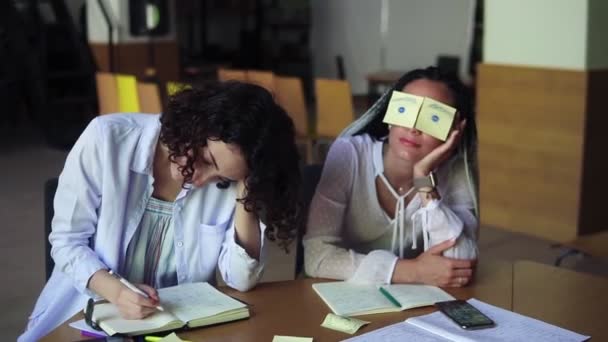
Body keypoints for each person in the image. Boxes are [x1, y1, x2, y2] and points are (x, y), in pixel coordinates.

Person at [19, 81, 300, 341]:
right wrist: (118, 292)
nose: (202, 179)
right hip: (86, 317)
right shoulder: (107, 139)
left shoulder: (230, 182)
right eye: (204, 160)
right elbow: (67, 243)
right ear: (196, 123)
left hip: (176, 329)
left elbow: (242, 280)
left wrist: (246, 192)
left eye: (222, 178)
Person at [303, 66, 478, 287]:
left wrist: (424, 180)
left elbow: (460, 264)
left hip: (407, 304)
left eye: (433, 118)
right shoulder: (351, 154)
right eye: (405, 110)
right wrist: (413, 271)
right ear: (389, 115)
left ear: (455, 132)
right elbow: (316, 258)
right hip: (336, 294)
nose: (414, 127)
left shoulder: (454, 171)